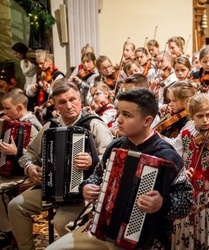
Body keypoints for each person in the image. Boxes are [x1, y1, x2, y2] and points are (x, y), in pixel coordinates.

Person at [46, 88, 194, 250]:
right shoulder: (116, 146)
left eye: (127, 115)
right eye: (119, 113)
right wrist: (86, 187)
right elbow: (97, 176)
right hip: (104, 227)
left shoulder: (167, 155)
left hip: (146, 238)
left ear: (147, 121)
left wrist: (162, 204)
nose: (119, 120)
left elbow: (187, 201)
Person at [8, 80, 113, 250]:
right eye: (62, 102)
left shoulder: (94, 124)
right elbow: (30, 154)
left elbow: (110, 159)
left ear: (81, 100)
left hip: (81, 193)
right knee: (16, 206)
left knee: (62, 222)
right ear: (56, 106)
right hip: (50, 187)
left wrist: (93, 161)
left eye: (73, 100)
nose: (69, 105)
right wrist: (29, 167)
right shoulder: (51, 126)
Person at [171, 93, 209, 250]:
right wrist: (182, 172)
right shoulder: (185, 135)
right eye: (200, 116)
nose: (205, 120)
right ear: (191, 117)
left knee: (208, 233)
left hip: (208, 195)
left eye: (208, 115)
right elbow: (175, 160)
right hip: (188, 192)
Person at [0, 90, 42, 247]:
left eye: (7, 108)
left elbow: (39, 156)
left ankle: (9, 230)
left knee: (0, 190)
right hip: (12, 171)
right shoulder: (10, 123)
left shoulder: (34, 125)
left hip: (26, 173)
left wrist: (16, 151)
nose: (4, 112)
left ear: (18, 108)